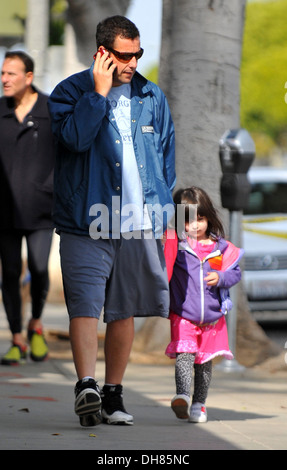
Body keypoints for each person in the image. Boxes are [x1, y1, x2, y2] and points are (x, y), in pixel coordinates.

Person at [48, 15, 176, 427]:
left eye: (137, 54)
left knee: (124, 311)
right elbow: (75, 139)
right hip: (86, 221)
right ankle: (87, 385)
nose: (133, 62)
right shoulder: (69, 92)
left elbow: (166, 158)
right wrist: (98, 95)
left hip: (138, 223)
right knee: (85, 305)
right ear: (102, 53)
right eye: (124, 55)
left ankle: (113, 395)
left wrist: (158, 208)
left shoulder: (151, 95)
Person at [164, 187, 243, 423]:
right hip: (183, 315)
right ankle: (182, 396)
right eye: (188, 221)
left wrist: (221, 278)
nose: (195, 226)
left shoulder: (221, 247)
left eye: (200, 219)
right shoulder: (176, 245)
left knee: (204, 364)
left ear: (208, 217)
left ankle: (199, 404)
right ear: (180, 221)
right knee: (185, 355)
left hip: (213, 318)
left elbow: (235, 273)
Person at [0, 51, 55, 366]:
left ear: (29, 77)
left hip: (41, 210)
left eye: (11, 74)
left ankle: (36, 321)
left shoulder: (50, 110)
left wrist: (52, 187)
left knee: (38, 269)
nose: (5, 79)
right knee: (8, 273)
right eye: (3, 73)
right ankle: (17, 338)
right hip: (4, 211)